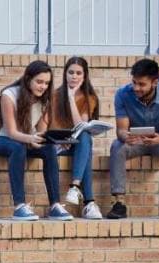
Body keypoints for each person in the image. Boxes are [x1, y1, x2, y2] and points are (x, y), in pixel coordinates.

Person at [0, 60, 72, 222]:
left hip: (23, 140)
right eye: (39, 82)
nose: (43, 86)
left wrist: (55, 140)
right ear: (28, 79)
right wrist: (31, 138)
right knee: (18, 148)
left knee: (49, 149)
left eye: (46, 83)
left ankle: (55, 206)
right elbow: (12, 132)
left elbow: (41, 132)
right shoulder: (9, 95)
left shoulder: (45, 100)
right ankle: (19, 206)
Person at [107, 58, 159, 220]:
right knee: (117, 146)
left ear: (155, 82)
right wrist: (125, 136)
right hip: (136, 142)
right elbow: (121, 130)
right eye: (134, 82)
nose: (136, 88)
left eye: (142, 84)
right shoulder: (122, 94)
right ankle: (119, 202)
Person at [51, 56, 104, 220]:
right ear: (65, 74)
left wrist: (72, 98)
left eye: (78, 73)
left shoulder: (90, 98)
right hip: (57, 144)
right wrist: (62, 140)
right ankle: (89, 202)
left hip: (75, 144)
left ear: (85, 75)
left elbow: (80, 125)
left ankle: (75, 187)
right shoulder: (54, 95)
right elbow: (50, 124)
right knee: (86, 149)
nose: (74, 76)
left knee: (86, 136)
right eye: (70, 72)